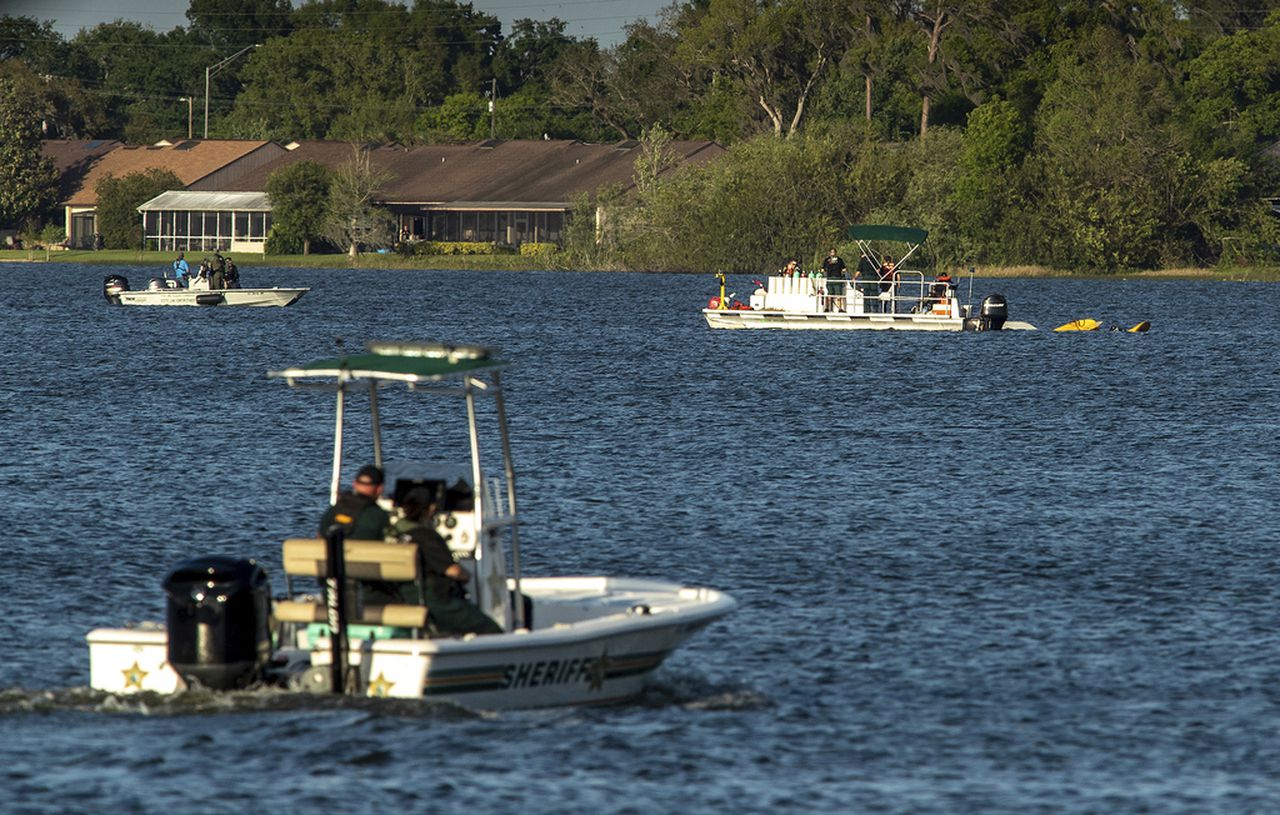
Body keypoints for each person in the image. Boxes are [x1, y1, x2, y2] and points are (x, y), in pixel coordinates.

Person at [389, 486, 502, 637]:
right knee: (492, 630)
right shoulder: (426, 536)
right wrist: (466, 576)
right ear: (430, 509)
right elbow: (453, 571)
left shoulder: (393, 532)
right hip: (434, 600)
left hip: (401, 595)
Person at [319, 464, 390, 541]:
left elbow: (320, 536)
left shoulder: (334, 510)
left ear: (354, 484)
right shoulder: (379, 516)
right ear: (380, 488)